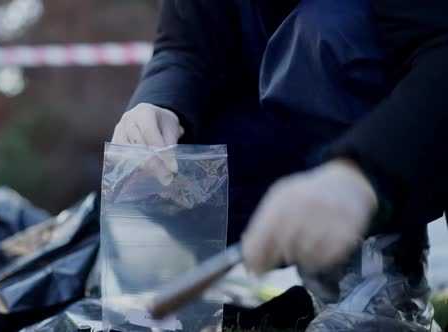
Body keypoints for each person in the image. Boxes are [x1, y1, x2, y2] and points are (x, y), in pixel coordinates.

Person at [111, 0, 447, 330]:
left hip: (401, 132)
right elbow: (185, 44)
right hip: (285, 134)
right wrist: (158, 102)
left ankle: (382, 287)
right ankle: (332, 283)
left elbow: (440, 49)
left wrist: (363, 174)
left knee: (327, 27)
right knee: (184, 144)